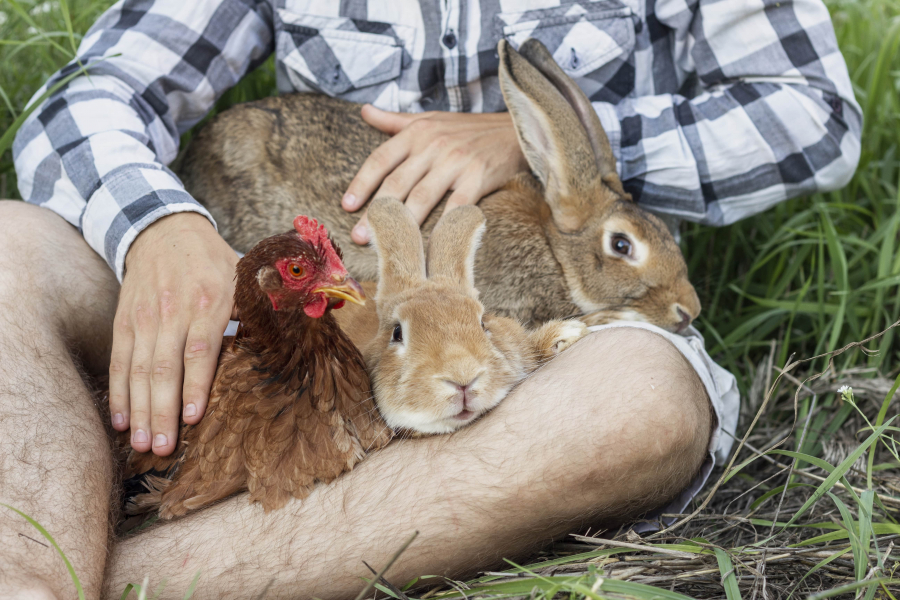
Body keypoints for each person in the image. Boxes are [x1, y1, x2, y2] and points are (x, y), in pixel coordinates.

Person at [1, 0, 859, 598]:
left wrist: (528, 151)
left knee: (639, 407)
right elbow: (94, 90)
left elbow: (813, 112)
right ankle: (28, 579)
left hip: (543, 336)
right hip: (289, 289)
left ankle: (117, 577)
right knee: (11, 249)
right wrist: (160, 225)